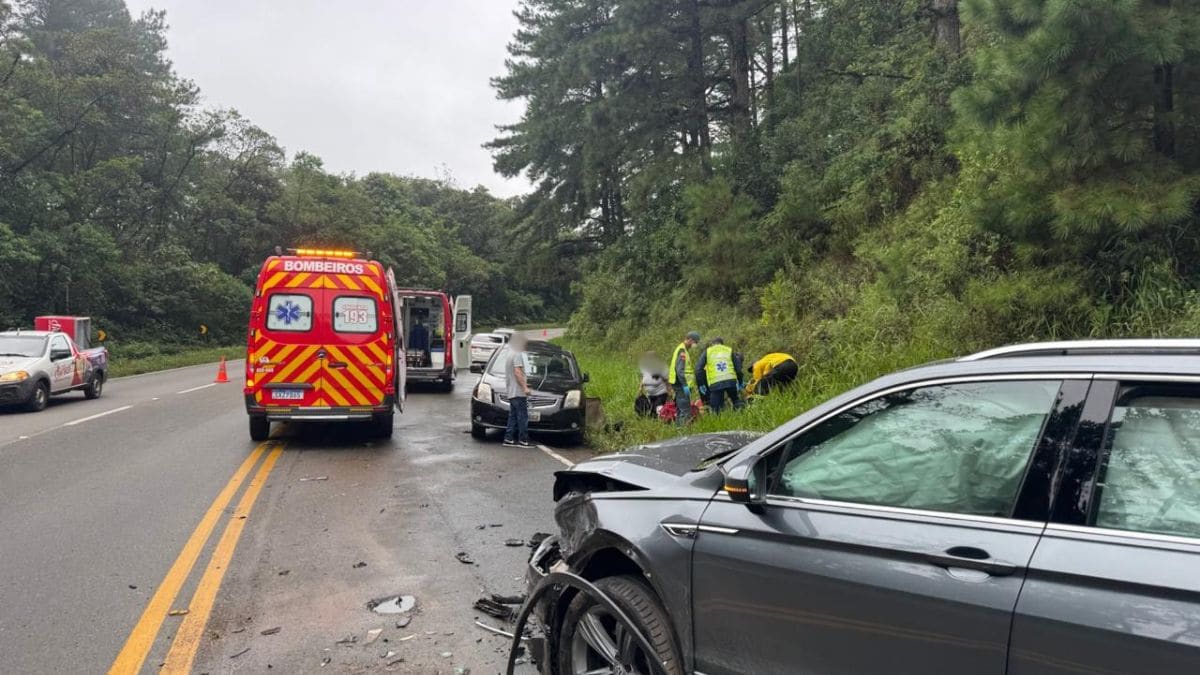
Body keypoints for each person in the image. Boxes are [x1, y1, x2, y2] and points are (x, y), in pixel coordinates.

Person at [696, 337, 745, 414]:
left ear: (712, 344)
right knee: (735, 400)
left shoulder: (707, 351)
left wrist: (701, 384)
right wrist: (740, 381)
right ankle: (742, 415)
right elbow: (738, 369)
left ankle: (722, 421)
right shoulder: (728, 350)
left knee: (716, 409)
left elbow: (698, 369)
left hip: (716, 383)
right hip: (730, 380)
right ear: (722, 344)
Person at [503, 335, 532, 447]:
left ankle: (508, 438)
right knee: (522, 417)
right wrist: (524, 387)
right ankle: (523, 440)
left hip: (511, 392)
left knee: (513, 416)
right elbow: (517, 371)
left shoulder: (509, 354)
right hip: (518, 392)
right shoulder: (517, 354)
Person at [668, 331, 701, 425]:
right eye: (695, 342)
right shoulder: (682, 351)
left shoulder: (683, 349)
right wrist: (685, 385)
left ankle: (678, 428)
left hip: (679, 384)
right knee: (685, 410)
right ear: (690, 339)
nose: (695, 345)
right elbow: (680, 370)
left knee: (680, 408)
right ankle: (684, 432)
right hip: (681, 384)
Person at [635, 352, 669, 418]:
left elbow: (667, 380)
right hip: (649, 394)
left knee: (658, 408)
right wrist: (640, 388)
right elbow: (643, 377)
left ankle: (663, 420)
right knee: (652, 411)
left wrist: (670, 392)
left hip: (661, 393)